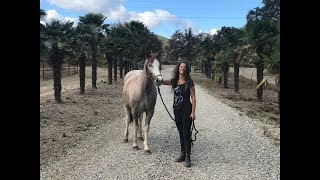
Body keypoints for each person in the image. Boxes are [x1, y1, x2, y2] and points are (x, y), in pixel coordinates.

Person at [162, 61, 196, 167]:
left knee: (186, 133)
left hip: (186, 110)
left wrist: (193, 112)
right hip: (177, 110)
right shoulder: (175, 81)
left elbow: (194, 98)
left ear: (186, 69)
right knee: (181, 133)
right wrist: (157, 79)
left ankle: (187, 156)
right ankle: (182, 154)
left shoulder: (189, 82)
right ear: (178, 68)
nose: (182, 69)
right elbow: (164, 82)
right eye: (181, 67)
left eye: (184, 67)